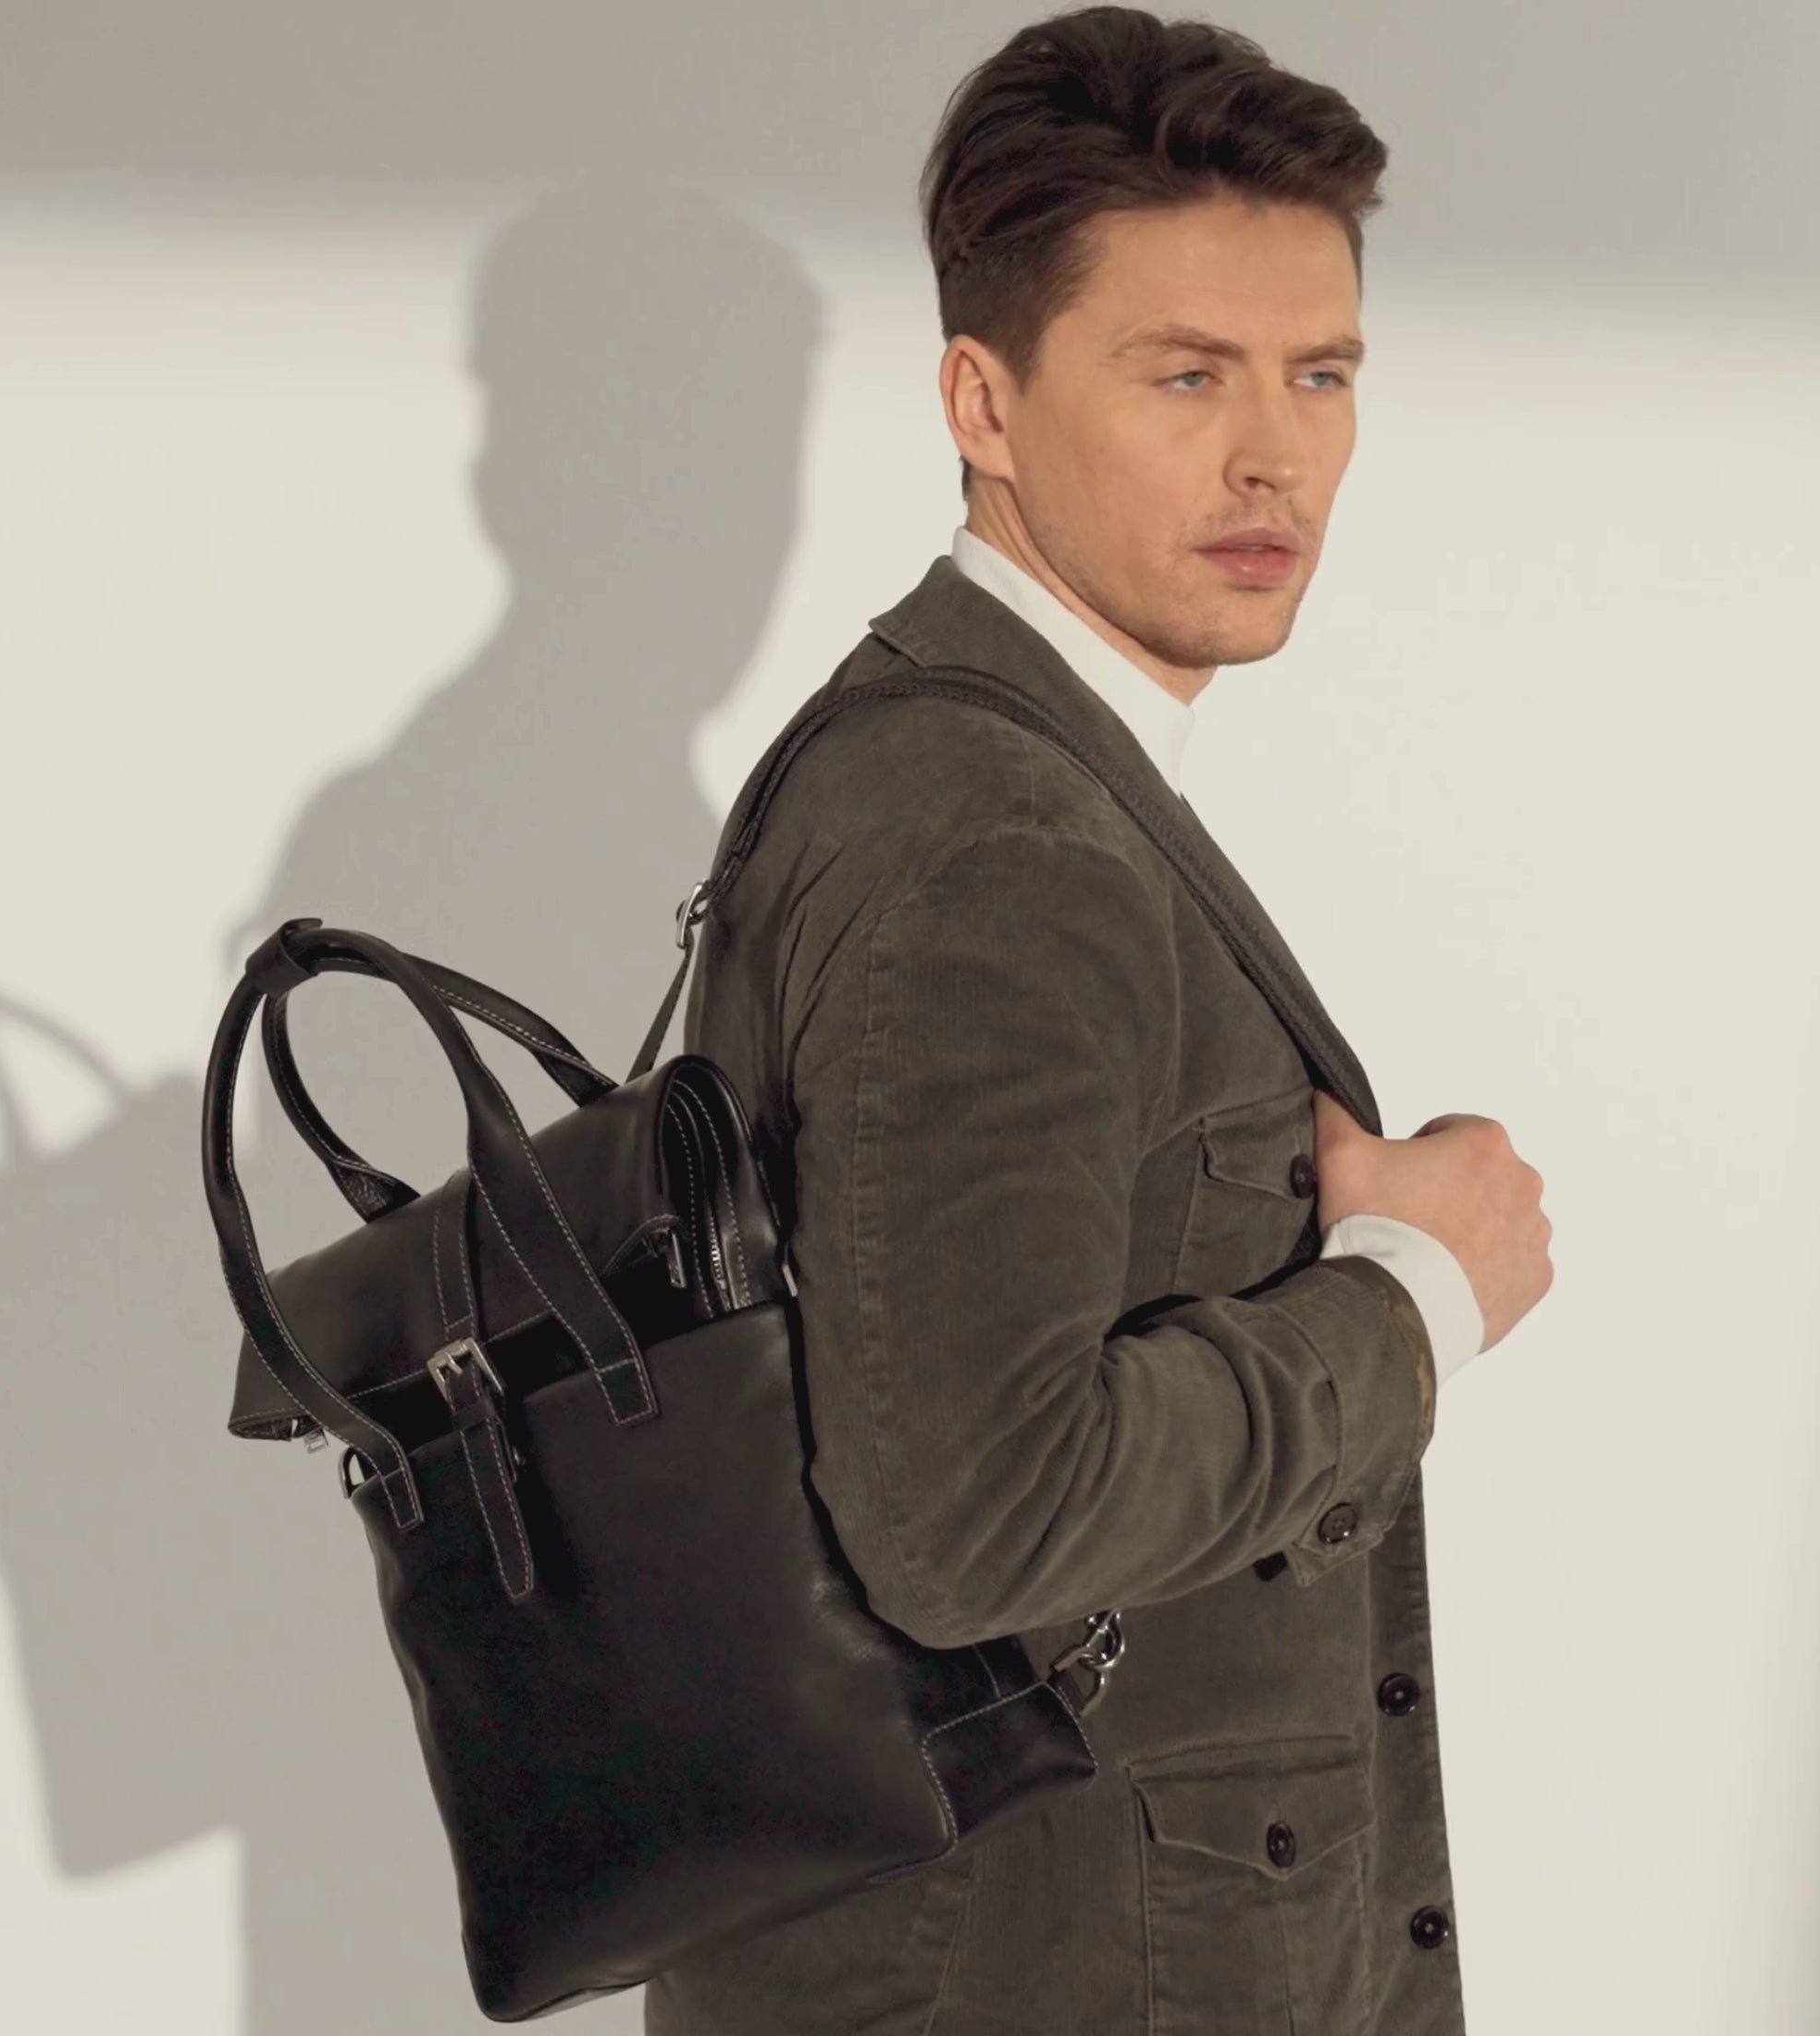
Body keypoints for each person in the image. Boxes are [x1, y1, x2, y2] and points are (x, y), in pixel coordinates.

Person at [646, 8, 1552, 2031]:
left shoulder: (997, 768)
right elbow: (976, 1516)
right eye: (1185, 374)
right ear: (984, 398)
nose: (1274, 453)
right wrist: (1413, 1295)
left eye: (1322, 373)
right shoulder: (996, 836)